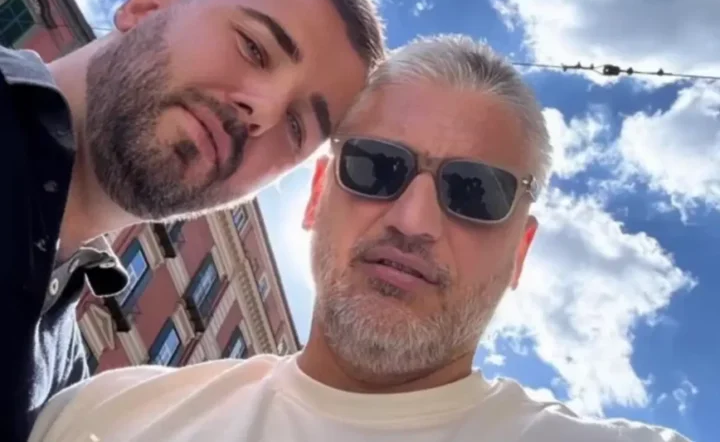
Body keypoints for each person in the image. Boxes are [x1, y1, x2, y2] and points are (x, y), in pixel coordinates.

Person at [28, 35, 690, 442]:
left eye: (475, 192)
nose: (413, 220)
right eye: (377, 166)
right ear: (318, 194)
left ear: (519, 252)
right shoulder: (103, 416)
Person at [1, 0, 384, 441]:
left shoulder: (63, 392)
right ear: (147, 8)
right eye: (254, 48)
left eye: (295, 126)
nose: (262, 111)